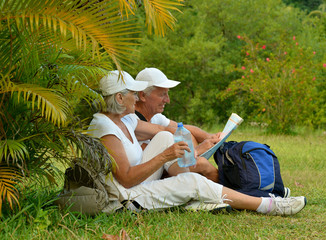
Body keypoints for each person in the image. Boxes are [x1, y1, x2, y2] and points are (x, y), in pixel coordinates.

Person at [87, 69, 307, 215]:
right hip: (122, 197)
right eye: (133, 93)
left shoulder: (125, 118)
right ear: (118, 98)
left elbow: (164, 131)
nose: (137, 97)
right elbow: (125, 179)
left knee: (165, 138)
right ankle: (267, 205)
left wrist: (202, 143)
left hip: (137, 182)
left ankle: (201, 196)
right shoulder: (105, 128)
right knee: (192, 180)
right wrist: (166, 156)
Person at [134, 67, 220, 182]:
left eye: (167, 94)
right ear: (143, 96)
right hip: (145, 180)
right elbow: (156, 167)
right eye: (162, 95)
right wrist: (197, 150)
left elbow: (182, 128)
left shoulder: (154, 116)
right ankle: (226, 193)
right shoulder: (131, 121)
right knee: (202, 164)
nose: (167, 100)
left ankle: (225, 191)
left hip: (161, 172)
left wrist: (210, 137)